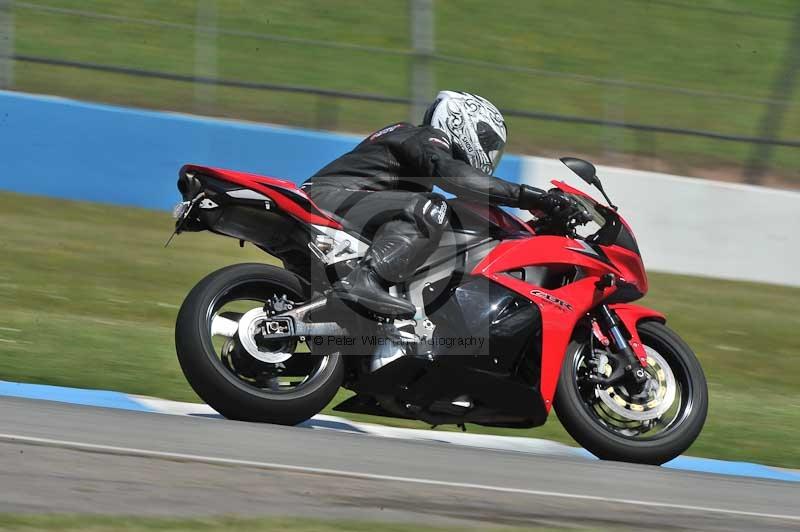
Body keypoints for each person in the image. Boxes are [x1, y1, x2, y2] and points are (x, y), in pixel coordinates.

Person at [301, 90, 583, 319]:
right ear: (461, 121)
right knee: (432, 207)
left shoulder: (412, 152)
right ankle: (367, 278)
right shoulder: (425, 137)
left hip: (337, 205)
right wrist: (531, 196)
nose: (489, 154)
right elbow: (455, 177)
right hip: (329, 199)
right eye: (487, 142)